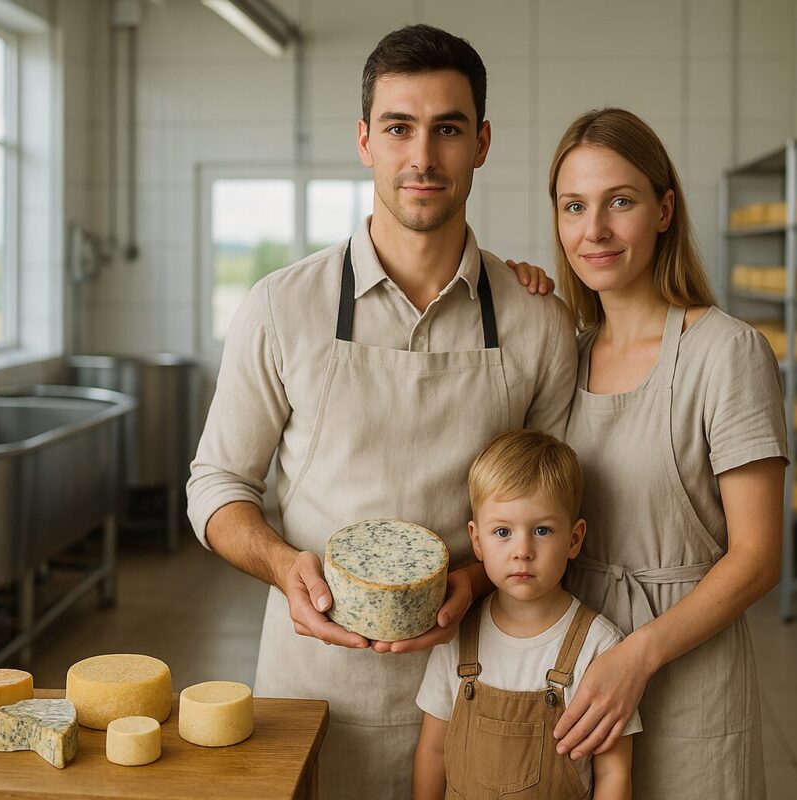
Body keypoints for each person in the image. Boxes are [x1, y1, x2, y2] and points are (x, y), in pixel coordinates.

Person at [185, 25, 577, 798]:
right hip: (311, 685)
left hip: (484, 679)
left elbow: (561, 505)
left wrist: (473, 576)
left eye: (448, 130)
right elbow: (215, 486)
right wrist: (281, 565)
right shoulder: (280, 306)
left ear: (483, 143)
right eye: (399, 127)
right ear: (365, 140)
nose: (422, 157)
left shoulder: (538, 322)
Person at [508, 108, 787, 797]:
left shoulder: (725, 352)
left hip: (685, 672)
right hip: (571, 668)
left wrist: (638, 656)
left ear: (665, 210)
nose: (593, 230)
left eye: (619, 202)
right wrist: (519, 302)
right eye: (574, 207)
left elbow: (758, 559)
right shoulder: (561, 355)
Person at [413, 429, 639, 800]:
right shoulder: (457, 637)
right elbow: (433, 751)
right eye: (502, 531)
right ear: (476, 541)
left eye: (542, 530)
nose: (522, 550)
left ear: (574, 539)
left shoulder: (599, 645)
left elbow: (614, 771)